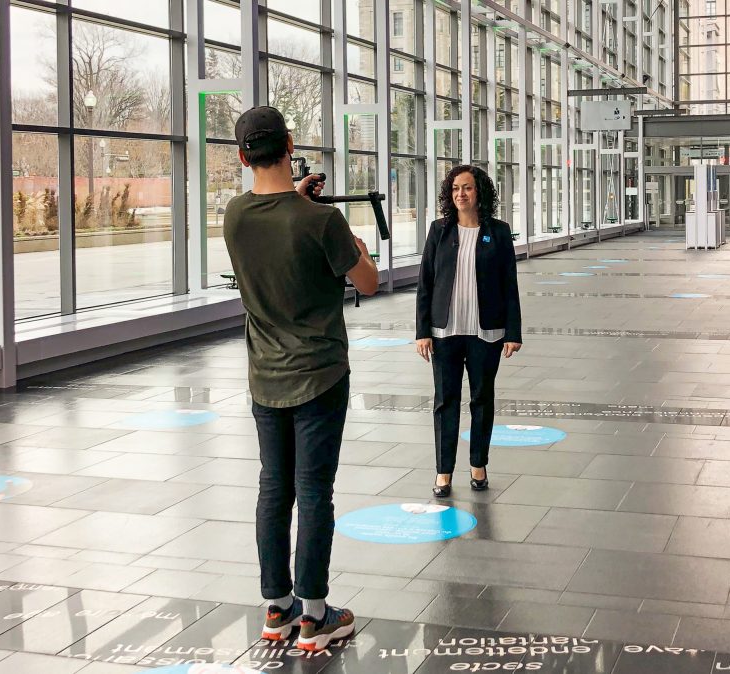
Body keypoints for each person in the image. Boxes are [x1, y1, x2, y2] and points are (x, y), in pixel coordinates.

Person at [223, 106, 378, 651]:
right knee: (314, 492)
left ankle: (278, 608)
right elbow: (370, 282)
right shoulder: (322, 222)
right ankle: (316, 614)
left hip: (264, 378)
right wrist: (354, 245)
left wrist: (300, 202)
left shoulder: (234, 216)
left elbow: (278, 226)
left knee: (274, 488)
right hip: (319, 375)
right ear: (291, 144)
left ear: (243, 156)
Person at [415, 165, 522, 498]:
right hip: (444, 331)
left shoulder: (500, 232)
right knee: (445, 401)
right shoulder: (439, 231)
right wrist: (422, 331)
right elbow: (425, 283)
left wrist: (513, 331)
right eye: (456, 188)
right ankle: (443, 471)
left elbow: (509, 285)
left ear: (480, 193)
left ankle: (478, 464)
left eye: (468, 188)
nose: (461, 194)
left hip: (486, 332)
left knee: (481, 398)